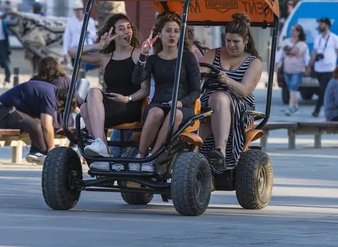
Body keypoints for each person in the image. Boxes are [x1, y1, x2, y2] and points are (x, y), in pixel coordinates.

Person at [68, 14, 149, 169]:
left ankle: (101, 148)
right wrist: (97, 46)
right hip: (108, 107)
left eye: (129, 27)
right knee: (85, 107)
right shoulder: (105, 57)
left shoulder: (139, 53)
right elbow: (72, 52)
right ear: (112, 34)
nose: (127, 32)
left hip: (130, 105)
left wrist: (128, 99)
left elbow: (145, 89)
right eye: (121, 29)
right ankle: (103, 151)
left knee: (92, 93)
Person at [132, 11, 200, 172]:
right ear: (160, 34)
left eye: (176, 31)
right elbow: (136, 80)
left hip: (182, 106)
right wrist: (143, 54)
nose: (172, 35)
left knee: (174, 115)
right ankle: (141, 156)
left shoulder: (188, 57)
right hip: (159, 103)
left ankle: (153, 158)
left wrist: (180, 102)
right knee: (155, 113)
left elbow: (196, 91)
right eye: (168, 30)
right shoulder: (153, 59)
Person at [199, 12, 263, 173]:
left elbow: (245, 90)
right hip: (208, 100)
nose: (231, 45)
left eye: (236, 41)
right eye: (228, 41)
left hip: (239, 103)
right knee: (202, 110)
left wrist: (227, 80)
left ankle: (219, 151)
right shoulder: (213, 54)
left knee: (219, 98)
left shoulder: (253, 62)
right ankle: (191, 155)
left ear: (246, 40)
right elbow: (198, 77)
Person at [0, 80, 68, 164]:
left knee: (38, 123)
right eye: (59, 109)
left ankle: (35, 152)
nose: (56, 111)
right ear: (60, 102)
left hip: (12, 111)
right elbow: (47, 126)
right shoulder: (50, 96)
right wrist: (51, 148)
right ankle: (45, 153)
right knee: (36, 125)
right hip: (4, 112)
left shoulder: (52, 91)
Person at [306, 17, 338, 118]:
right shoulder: (318, 38)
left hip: (329, 68)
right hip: (319, 67)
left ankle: (317, 110)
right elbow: (314, 52)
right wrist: (309, 65)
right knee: (323, 89)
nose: (319, 26)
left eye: (321, 24)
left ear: (326, 25)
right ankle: (331, 105)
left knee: (322, 89)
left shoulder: (335, 38)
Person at [277, 24, 309, 116]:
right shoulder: (286, 42)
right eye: (291, 30)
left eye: (294, 30)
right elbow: (280, 54)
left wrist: (307, 66)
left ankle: (290, 108)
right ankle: (295, 107)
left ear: (299, 32)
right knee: (290, 88)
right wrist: (277, 63)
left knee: (292, 88)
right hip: (287, 69)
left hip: (298, 70)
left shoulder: (302, 44)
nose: (292, 32)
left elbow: (306, 57)